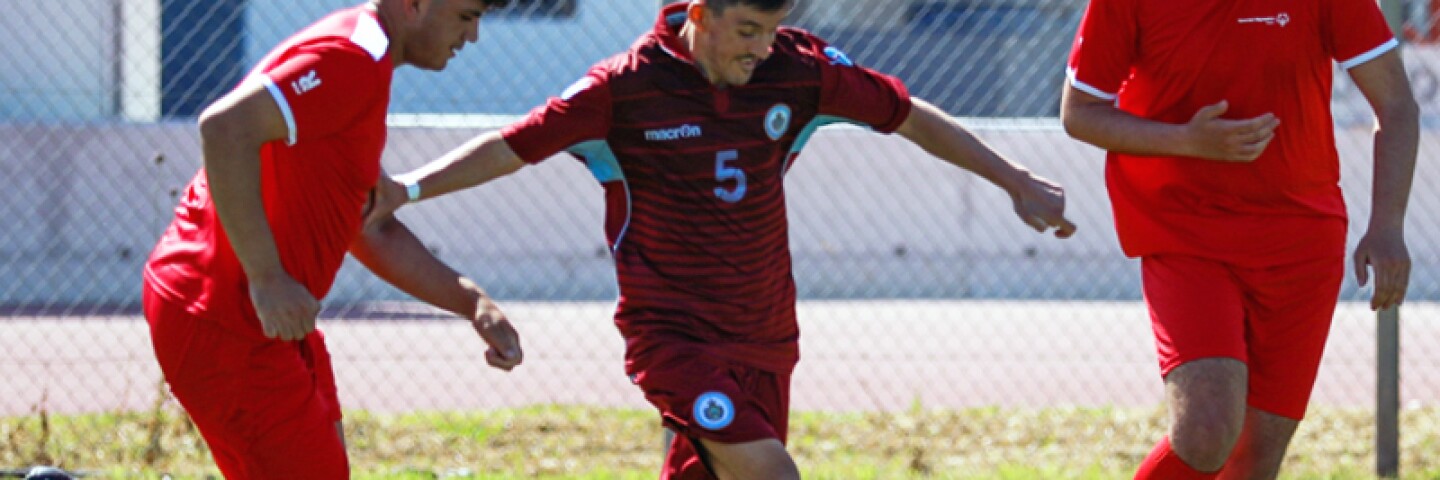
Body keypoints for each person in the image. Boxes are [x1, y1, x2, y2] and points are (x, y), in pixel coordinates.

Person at [367, 1, 1077, 477]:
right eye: (746, 31)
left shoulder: (799, 73)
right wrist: (408, 188)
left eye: (772, 29)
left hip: (766, 339)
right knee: (771, 473)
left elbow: (907, 114)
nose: (761, 48)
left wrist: (1014, 180)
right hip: (674, 337)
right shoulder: (623, 89)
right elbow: (511, 144)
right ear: (699, 16)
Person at [141, 1, 523, 477]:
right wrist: (266, 277)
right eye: (466, 16)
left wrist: (472, 302)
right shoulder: (352, 57)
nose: (473, 36)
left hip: (272, 321)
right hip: (225, 317)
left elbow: (370, 225)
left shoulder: (368, 58)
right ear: (415, 5)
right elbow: (224, 128)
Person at [1062, 0, 1418, 478]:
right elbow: (1080, 112)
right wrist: (1187, 140)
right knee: (1207, 428)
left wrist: (1388, 225)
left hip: (1302, 242)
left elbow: (1396, 104)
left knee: (1255, 461)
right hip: (1184, 232)